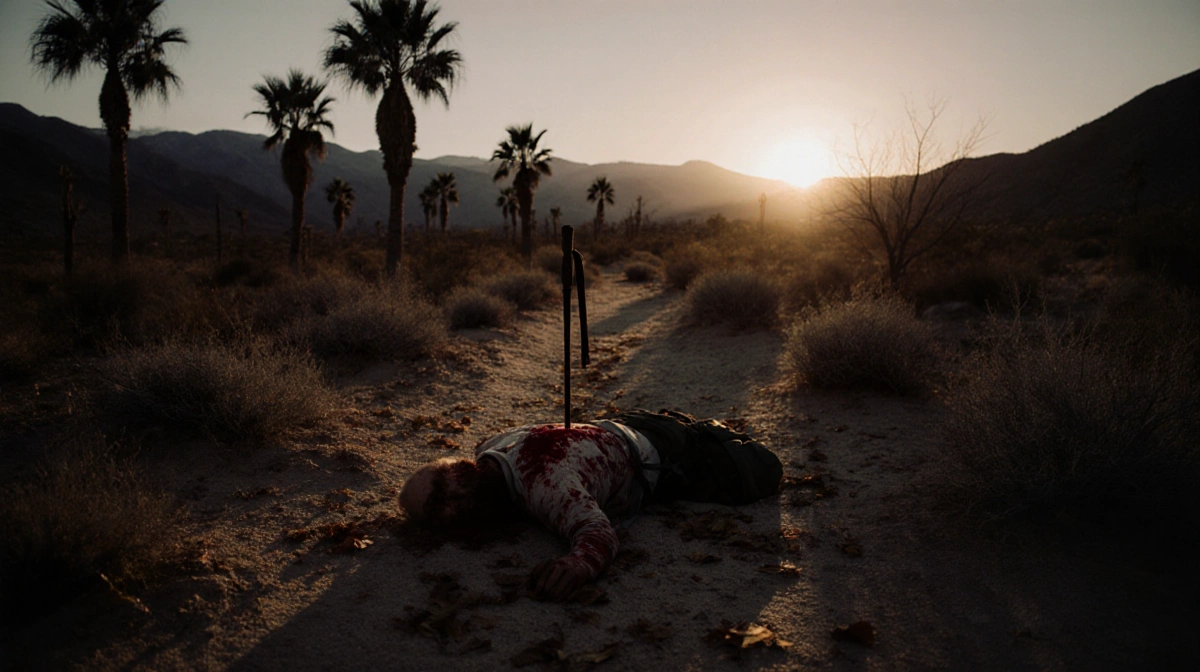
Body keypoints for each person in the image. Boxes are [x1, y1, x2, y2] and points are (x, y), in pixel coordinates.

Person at [399, 410, 783, 600]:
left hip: (666, 454)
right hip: (620, 423)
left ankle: (708, 436)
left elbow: (599, 533)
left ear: (457, 488)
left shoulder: (545, 484)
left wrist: (577, 564)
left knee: (762, 471)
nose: (439, 522)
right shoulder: (491, 446)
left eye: (435, 509)